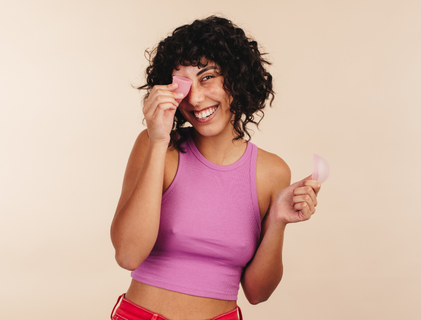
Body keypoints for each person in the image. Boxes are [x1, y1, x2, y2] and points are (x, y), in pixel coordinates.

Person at [110, 16, 321, 320]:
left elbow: (258, 293)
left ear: (236, 78)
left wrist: (278, 220)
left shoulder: (272, 172)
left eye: (207, 77)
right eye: (181, 83)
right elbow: (128, 255)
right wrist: (158, 139)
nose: (195, 98)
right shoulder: (156, 146)